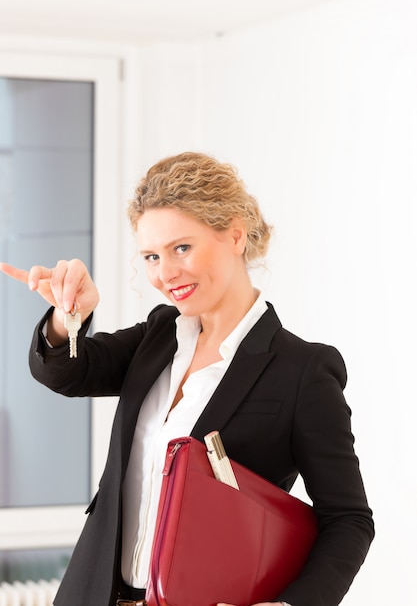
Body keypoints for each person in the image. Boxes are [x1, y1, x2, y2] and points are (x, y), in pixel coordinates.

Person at [0, 152, 374, 606]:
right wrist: (67, 317)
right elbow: (65, 371)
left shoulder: (303, 371)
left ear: (235, 234)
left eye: (182, 248)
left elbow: (349, 519)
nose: (165, 273)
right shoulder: (159, 335)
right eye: (152, 256)